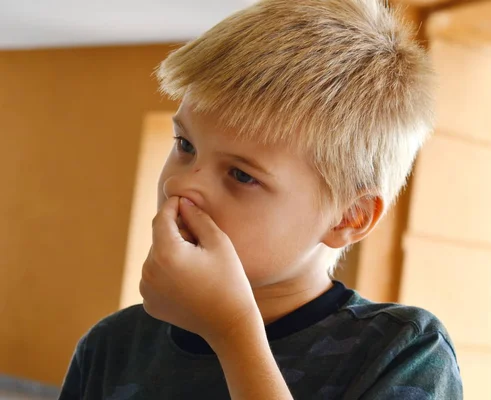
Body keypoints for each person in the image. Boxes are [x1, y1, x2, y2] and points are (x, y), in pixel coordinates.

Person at [59, 0, 462, 398]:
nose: (180, 187)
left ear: (348, 218)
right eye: (185, 144)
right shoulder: (112, 347)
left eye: (241, 174)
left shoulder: (401, 352)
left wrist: (233, 332)